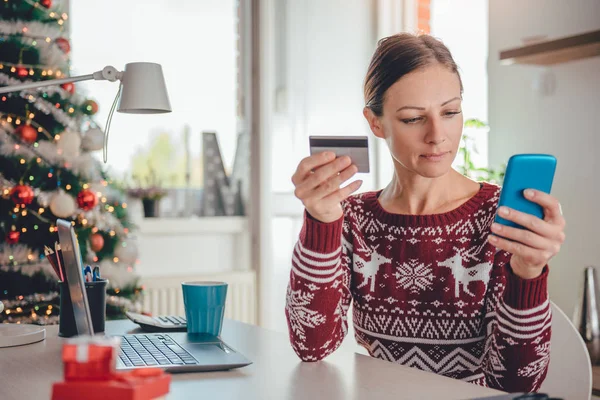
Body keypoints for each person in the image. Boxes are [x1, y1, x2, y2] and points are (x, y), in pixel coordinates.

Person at [285, 33, 566, 393]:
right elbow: (312, 345)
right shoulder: (352, 216)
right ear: (376, 124)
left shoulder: (500, 218)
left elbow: (515, 380)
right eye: (414, 118)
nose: (438, 135)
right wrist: (322, 224)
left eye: (450, 112)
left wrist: (528, 275)